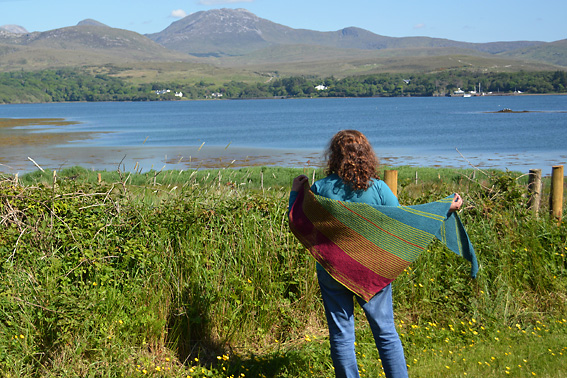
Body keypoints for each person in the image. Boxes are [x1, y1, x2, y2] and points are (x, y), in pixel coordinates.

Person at [288, 130, 462, 378]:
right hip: (371, 270)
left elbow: (299, 221)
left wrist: (296, 192)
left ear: (334, 156)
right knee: (385, 332)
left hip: (333, 271)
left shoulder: (320, 188)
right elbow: (404, 222)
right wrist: (445, 207)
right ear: (365, 155)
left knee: (341, 334)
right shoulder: (378, 188)